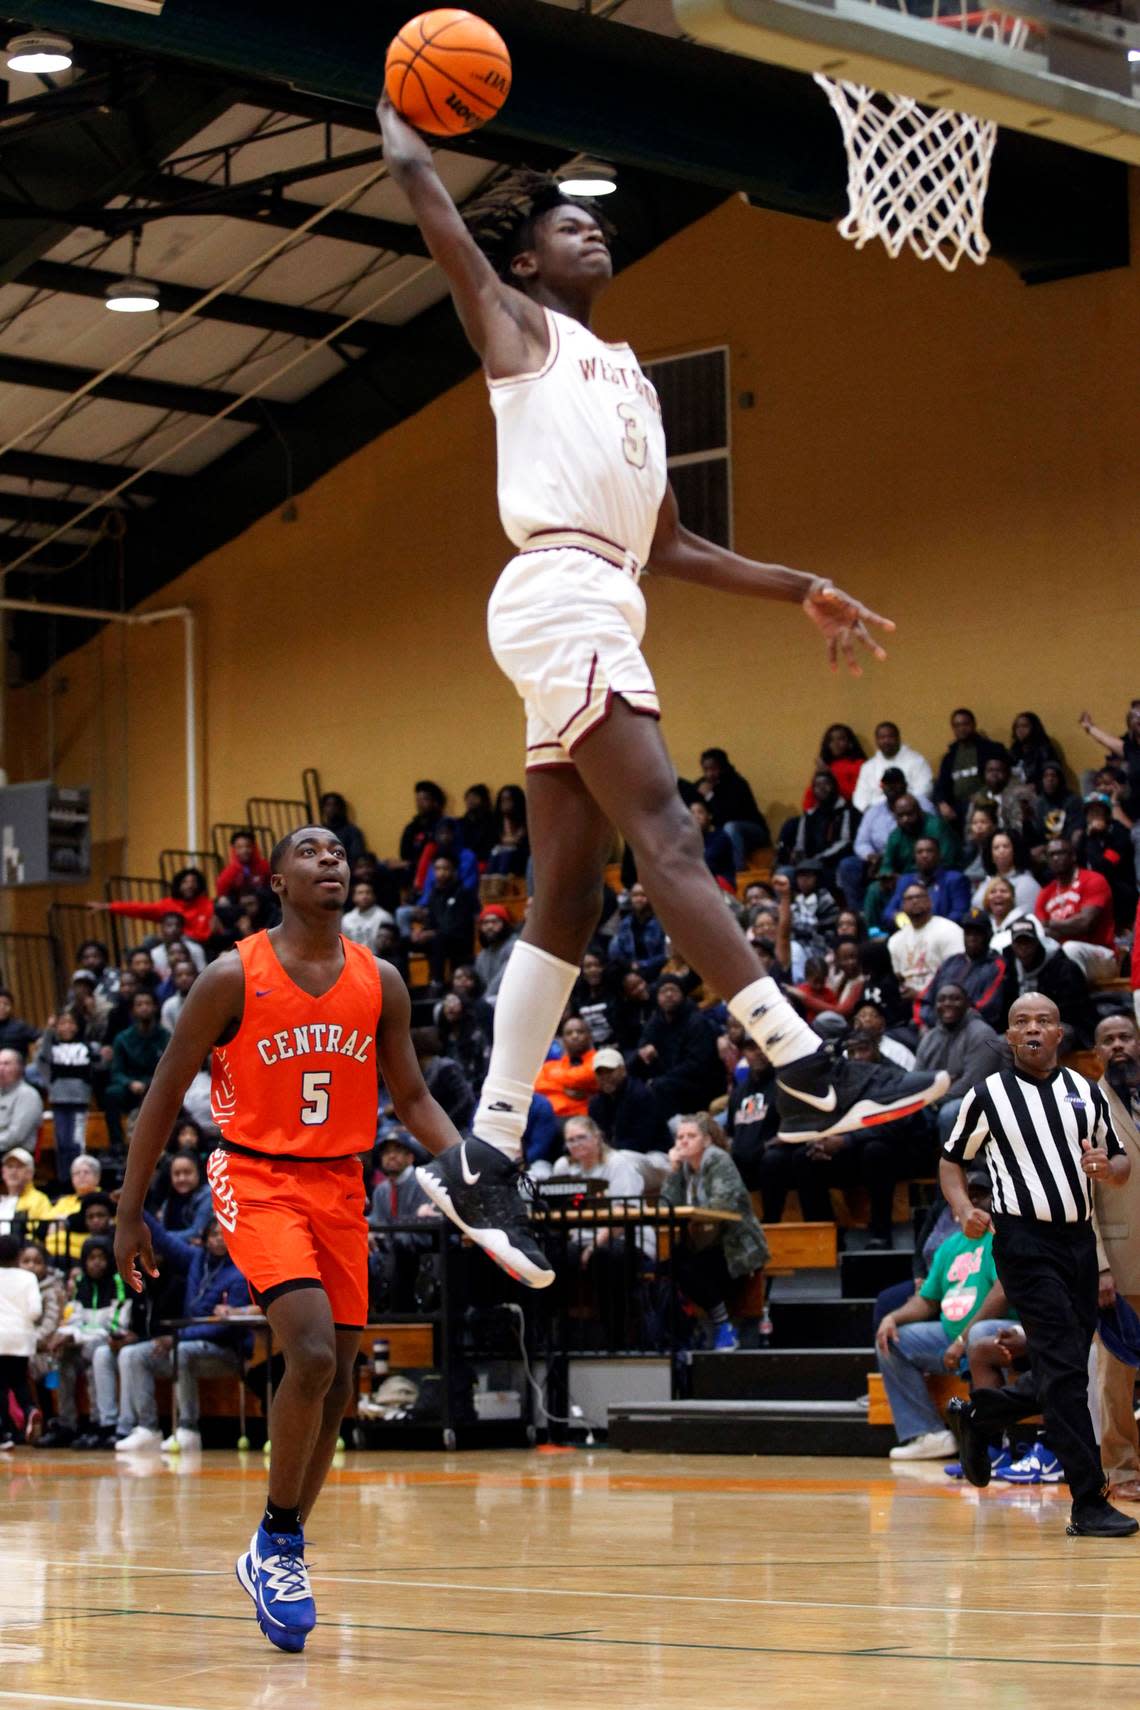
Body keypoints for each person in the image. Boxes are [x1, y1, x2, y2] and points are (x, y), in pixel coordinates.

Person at [378, 91, 946, 1258]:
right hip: (561, 593)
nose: (591, 228)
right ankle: (803, 1064)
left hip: (596, 596)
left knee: (569, 900)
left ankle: (484, 1156)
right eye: (564, 222)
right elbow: (431, 207)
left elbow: (674, 542)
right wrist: (399, 112)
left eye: (595, 219)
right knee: (672, 840)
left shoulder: (625, 375)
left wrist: (799, 586)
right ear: (524, 255)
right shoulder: (517, 330)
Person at [112, 825, 475, 1654]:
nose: (331, 861)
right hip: (256, 1176)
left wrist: (468, 1164)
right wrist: (132, 1213)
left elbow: (413, 1096)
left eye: (340, 853)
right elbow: (165, 1095)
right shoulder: (232, 975)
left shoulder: (380, 981)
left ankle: (277, 1546)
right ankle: (278, 1541)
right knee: (309, 1352)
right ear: (276, 880)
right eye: (310, 852)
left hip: (338, 1184)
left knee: (339, 1379)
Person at [941, 993, 1138, 1538]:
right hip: (1023, 1243)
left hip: (1077, 1241)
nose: (1033, 1028)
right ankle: (1088, 1501)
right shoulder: (988, 1096)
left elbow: (1118, 1159)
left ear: (1059, 1034)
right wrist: (963, 1209)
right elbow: (951, 1162)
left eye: (1044, 1021)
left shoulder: (1084, 1090)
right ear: (1009, 1037)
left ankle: (980, 1415)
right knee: (1068, 1374)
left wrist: (1110, 1169)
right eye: (1022, 1021)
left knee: (1063, 1370)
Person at [876, 1170, 1010, 1460]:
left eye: (980, 1195)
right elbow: (926, 1301)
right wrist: (893, 1318)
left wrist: (962, 1339)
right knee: (892, 1340)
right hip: (950, 1337)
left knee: (978, 1335)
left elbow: (1002, 1295)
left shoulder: (1001, 1239)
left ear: (995, 1199)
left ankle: (993, 1446)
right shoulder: (949, 1246)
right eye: (967, 1196)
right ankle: (929, 1433)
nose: (973, 1202)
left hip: (995, 1335)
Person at [114, 1213, 252, 1454]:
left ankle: (188, 1430)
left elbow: (226, 1327)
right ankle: (148, 1429)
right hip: (187, 1344)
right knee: (132, 1355)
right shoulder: (196, 1259)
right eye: (215, 1234)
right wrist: (137, 1207)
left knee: (183, 1351)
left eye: (225, 1235)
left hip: (227, 1353)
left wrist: (177, 1337)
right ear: (206, 1239)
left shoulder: (240, 1272)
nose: (220, 1240)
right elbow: (165, 1240)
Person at [659, 1113, 769, 1350]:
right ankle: (689, 1330)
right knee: (666, 1267)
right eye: (679, 1137)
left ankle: (723, 1327)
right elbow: (665, 1208)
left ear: (707, 1140)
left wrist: (691, 1214)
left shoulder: (718, 1161)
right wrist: (674, 1170)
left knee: (687, 1269)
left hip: (736, 1247)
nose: (683, 1142)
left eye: (691, 1136)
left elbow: (723, 1205)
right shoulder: (685, 1169)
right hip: (704, 1244)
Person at [1088, 1013, 1140, 1501]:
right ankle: (1121, 1470)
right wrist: (1100, 1264)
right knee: (1117, 1374)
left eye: (1126, 1036)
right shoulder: (1085, 1105)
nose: (1119, 1045)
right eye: (1109, 1040)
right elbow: (1084, 1197)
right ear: (1096, 1052)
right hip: (1121, 1261)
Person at [914, 984, 1011, 1149]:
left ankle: (957, 1169)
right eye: (942, 999)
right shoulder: (929, 1038)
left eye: (955, 999)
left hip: (982, 1102)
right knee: (906, 1115)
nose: (947, 1003)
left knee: (950, 1113)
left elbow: (972, 1084)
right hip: (935, 1101)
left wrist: (934, 1099)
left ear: (967, 1004)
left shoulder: (982, 1034)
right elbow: (917, 1079)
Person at [627, 973, 722, 1128]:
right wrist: (642, 1053)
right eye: (664, 991)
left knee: (659, 1087)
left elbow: (697, 1065)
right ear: (657, 997)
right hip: (669, 1079)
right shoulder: (655, 1022)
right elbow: (641, 1050)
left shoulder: (696, 1021)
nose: (669, 994)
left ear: (683, 995)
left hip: (698, 1083)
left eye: (673, 990)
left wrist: (663, 1078)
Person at [838, 766, 923, 913]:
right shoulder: (873, 812)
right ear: (882, 787)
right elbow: (861, 842)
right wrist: (870, 856)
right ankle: (858, 914)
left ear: (905, 784)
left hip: (909, 857)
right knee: (848, 865)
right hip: (877, 859)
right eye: (887, 784)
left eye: (896, 783)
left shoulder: (922, 804)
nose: (892, 788)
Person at [1034, 836, 1119, 983]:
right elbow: (1042, 932)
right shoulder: (1045, 893)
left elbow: (1085, 924)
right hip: (1061, 955)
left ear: (1073, 856)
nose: (1056, 858)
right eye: (1051, 855)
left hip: (1101, 954)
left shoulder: (1093, 880)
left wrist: (1050, 924)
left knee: (1070, 948)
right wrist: (1060, 926)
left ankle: (1075, 1002)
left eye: (1060, 853)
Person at [918, 909, 1006, 1031]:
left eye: (978, 933)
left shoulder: (996, 965)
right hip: (936, 1026)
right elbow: (925, 999)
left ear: (989, 935)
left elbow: (988, 1008)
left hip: (971, 1029)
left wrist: (948, 1020)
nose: (972, 938)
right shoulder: (950, 962)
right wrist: (923, 1023)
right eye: (968, 933)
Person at [104, 991, 170, 1151]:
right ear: (133, 1010)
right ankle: (117, 1144)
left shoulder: (165, 1036)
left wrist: (149, 1084)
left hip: (155, 1087)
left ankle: (167, 1143)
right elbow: (116, 1072)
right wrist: (129, 1083)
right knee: (111, 1093)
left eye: (147, 1004)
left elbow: (169, 1070)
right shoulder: (122, 1038)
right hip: (130, 1087)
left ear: (155, 1007)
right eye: (139, 1005)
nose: (144, 1008)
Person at [38, 1009, 97, 1180]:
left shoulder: (86, 1047)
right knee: (62, 1143)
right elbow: (42, 1059)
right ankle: (64, 1179)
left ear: (78, 1026)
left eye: (71, 1023)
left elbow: (97, 1067)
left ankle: (80, 1179)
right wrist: (48, 1031)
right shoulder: (53, 1047)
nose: (67, 1027)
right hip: (59, 1101)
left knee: (77, 1143)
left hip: (80, 1101)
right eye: (62, 1023)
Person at [91, 866, 215, 946]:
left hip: (195, 946)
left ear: (199, 885)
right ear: (178, 885)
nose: (189, 885)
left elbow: (204, 935)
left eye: (193, 882)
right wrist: (111, 906)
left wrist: (182, 935)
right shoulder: (168, 904)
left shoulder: (206, 904)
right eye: (185, 882)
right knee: (149, 940)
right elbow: (140, 909)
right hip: (169, 944)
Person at [776, 769, 859, 883]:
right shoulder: (809, 816)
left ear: (834, 786)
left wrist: (819, 859)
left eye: (826, 784)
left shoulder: (847, 811)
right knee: (784, 874)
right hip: (809, 865)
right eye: (817, 785)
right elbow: (800, 845)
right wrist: (798, 857)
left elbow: (845, 842)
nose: (821, 788)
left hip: (832, 863)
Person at [0, 1231, 43, 1448]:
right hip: (22, 1338)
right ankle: (30, 1410)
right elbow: (36, 1311)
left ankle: (4, 1434)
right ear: (18, 1255)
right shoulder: (28, 1278)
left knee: (1, 1386)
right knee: (19, 1381)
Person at [887, 884, 965, 1002]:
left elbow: (957, 973)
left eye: (919, 897)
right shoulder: (895, 940)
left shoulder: (949, 930)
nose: (914, 901)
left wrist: (922, 995)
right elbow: (897, 977)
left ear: (930, 902)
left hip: (942, 1000)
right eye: (909, 898)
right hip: (907, 1004)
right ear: (902, 906)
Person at [694, 747, 770, 868]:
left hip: (752, 831)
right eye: (705, 770)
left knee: (730, 827)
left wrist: (709, 796)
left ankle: (738, 870)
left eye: (713, 769)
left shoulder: (737, 783)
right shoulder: (702, 784)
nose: (709, 774)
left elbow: (728, 815)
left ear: (723, 767)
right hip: (723, 832)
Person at [934, 709, 1008, 829]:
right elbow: (941, 785)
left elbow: (1003, 776)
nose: (961, 729)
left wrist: (981, 794)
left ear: (973, 725)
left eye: (965, 724)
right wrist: (942, 803)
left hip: (986, 803)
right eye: (957, 725)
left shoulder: (991, 749)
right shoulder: (949, 757)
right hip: (957, 809)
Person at [589, 1045, 667, 1155]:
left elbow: (642, 1141)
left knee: (618, 1159)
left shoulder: (641, 1095)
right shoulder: (595, 1103)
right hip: (615, 1155)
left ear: (623, 1070)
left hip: (652, 1154)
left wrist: (609, 1151)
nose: (605, 1077)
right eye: (600, 1073)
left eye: (609, 1071)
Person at [1078, 794, 1137, 932]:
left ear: (1107, 814)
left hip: (1120, 893)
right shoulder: (1084, 837)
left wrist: (1093, 839)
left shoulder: (1119, 833)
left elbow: (1104, 868)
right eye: (1090, 813)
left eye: (1098, 812)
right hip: (1093, 893)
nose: (1094, 816)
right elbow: (1078, 866)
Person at [883, 836, 971, 927]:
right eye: (919, 852)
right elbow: (888, 913)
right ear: (915, 857)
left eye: (929, 851)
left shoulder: (955, 879)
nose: (924, 855)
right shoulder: (905, 881)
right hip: (911, 932)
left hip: (943, 934)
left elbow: (959, 913)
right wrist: (903, 921)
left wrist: (930, 929)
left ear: (939, 855)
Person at [852, 721, 933, 813]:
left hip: (910, 813)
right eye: (882, 737)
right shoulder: (868, 767)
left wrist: (900, 806)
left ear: (898, 738)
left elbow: (924, 790)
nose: (886, 741)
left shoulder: (917, 761)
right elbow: (860, 798)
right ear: (876, 741)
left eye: (890, 737)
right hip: (877, 815)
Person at [1078, 702, 1140, 820]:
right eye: (1135, 715)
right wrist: (1090, 728)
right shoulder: (1131, 750)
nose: (1138, 717)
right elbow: (1107, 740)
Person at [534, 1015, 598, 1118]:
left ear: (589, 1036)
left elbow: (586, 1075)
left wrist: (554, 1080)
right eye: (569, 1033)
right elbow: (537, 1086)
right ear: (563, 1039)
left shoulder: (598, 1060)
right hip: (554, 1119)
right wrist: (564, 1088)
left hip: (584, 1119)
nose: (574, 1036)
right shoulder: (550, 1066)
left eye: (580, 1032)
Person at [969, 828, 1040, 915]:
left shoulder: (1027, 883)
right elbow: (976, 907)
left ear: (1015, 851)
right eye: (996, 848)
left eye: (1006, 846)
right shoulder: (987, 881)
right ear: (990, 855)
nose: (1001, 851)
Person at [608, 882, 667, 983]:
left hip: (655, 969)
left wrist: (642, 964)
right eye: (635, 895)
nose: (639, 899)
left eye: (643, 895)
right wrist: (630, 965)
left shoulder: (661, 923)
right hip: (631, 969)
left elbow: (665, 954)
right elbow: (616, 952)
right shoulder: (625, 923)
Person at [805, 722, 866, 809]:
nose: (835, 743)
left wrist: (830, 774)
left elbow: (855, 795)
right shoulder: (827, 765)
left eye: (840, 739)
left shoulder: (859, 765)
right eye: (831, 740)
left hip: (850, 812)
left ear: (850, 743)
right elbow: (810, 798)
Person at [0, 1148, 54, 1240]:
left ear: (30, 1173)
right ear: (3, 1172)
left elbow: (39, 1235)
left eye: (19, 1167)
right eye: (10, 1166)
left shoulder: (39, 1200)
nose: (13, 1172)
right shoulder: (2, 1200)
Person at [0, 1048, 44, 1160]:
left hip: (16, 1155)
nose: (1, 1068)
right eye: (0, 1064)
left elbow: (16, 1136)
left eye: (6, 1064)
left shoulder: (28, 1095)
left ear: (19, 1068)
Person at [473, 905, 517, 1003]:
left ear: (505, 924)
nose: (490, 926)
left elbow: (501, 981)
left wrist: (482, 1003)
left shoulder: (514, 947)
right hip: (487, 999)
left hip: (510, 998)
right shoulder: (482, 955)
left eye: (494, 922)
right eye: (485, 923)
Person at [689, 798, 736, 887]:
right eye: (692, 813)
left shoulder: (720, 837)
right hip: (703, 882)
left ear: (709, 815)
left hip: (722, 881)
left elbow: (708, 864)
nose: (696, 817)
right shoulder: (691, 839)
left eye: (700, 812)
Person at [216, 829, 272, 903]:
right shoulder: (229, 872)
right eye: (239, 847)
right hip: (239, 907)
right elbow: (221, 893)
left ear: (253, 847)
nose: (244, 850)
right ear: (234, 849)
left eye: (248, 846)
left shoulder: (264, 866)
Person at [1008, 711, 1059, 791]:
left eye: (1024, 726)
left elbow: (1052, 777)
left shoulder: (1044, 750)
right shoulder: (1014, 749)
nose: (1020, 730)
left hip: (1036, 794)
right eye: (1017, 727)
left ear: (1034, 728)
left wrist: (1036, 786)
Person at [340, 878, 394, 953]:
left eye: (368, 892)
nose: (364, 896)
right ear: (353, 897)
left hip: (378, 959)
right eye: (360, 893)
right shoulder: (346, 919)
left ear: (374, 896)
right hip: (354, 960)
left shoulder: (384, 917)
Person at [487, 784, 529, 877]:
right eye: (502, 800)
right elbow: (492, 842)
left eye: (508, 800)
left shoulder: (526, 821)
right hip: (498, 856)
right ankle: (492, 884)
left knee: (507, 855)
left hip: (519, 858)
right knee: (495, 853)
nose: (505, 804)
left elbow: (525, 845)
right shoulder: (495, 821)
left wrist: (511, 842)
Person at [318, 792, 366, 872]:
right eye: (328, 805)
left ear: (341, 808)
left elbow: (356, 856)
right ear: (323, 809)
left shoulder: (352, 831)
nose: (332, 808)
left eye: (335, 805)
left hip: (345, 870)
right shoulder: (318, 831)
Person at [0, 991, 40, 1057]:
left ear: (11, 1007)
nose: (2, 1007)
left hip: (15, 1065)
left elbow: (40, 1037)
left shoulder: (19, 1026)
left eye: (6, 1004)